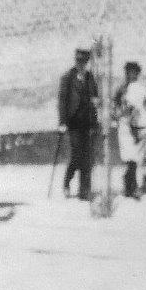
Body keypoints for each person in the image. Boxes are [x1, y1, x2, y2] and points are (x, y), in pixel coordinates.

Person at [58, 48, 99, 200]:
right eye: (78, 61)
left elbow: (95, 97)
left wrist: (95, 116)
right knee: (76, 155)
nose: (81, 64)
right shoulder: (68, 77)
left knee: (87, 158)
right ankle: (67, 182)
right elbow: (62, 102)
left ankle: (84, 191)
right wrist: (62, 122)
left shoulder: (90, 77)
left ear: (87, 62)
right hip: (73, 122)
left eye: (83, 62)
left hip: (87, 123)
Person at [114, 62, 146, 199]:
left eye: (135, 72)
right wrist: (120, 115)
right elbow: (117, 108)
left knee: (137, 157)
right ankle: (131, 187)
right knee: (130, 158)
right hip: (125, 127)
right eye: (129, 72)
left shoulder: (140, 89)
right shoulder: (121, 90)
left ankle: (132, 186)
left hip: (137, 126)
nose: (132, 75)